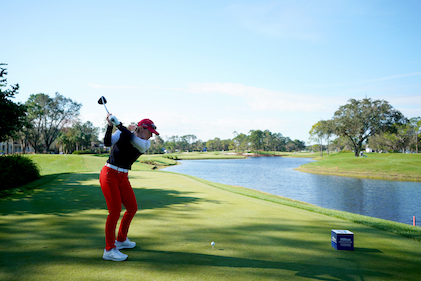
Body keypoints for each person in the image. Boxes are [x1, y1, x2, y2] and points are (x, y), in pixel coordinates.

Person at [100, 113, 159, 261]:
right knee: (114, 211)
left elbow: (133, 138)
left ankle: (121, 240)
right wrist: (110, 126)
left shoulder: (145, 144)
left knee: (132, 207)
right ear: (141, 128)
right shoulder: (122, 132)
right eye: (150, 133)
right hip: (109, 174)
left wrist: (119, 125)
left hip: (123, 176)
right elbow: (107, 142)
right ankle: (109, 249)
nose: (151, 136)